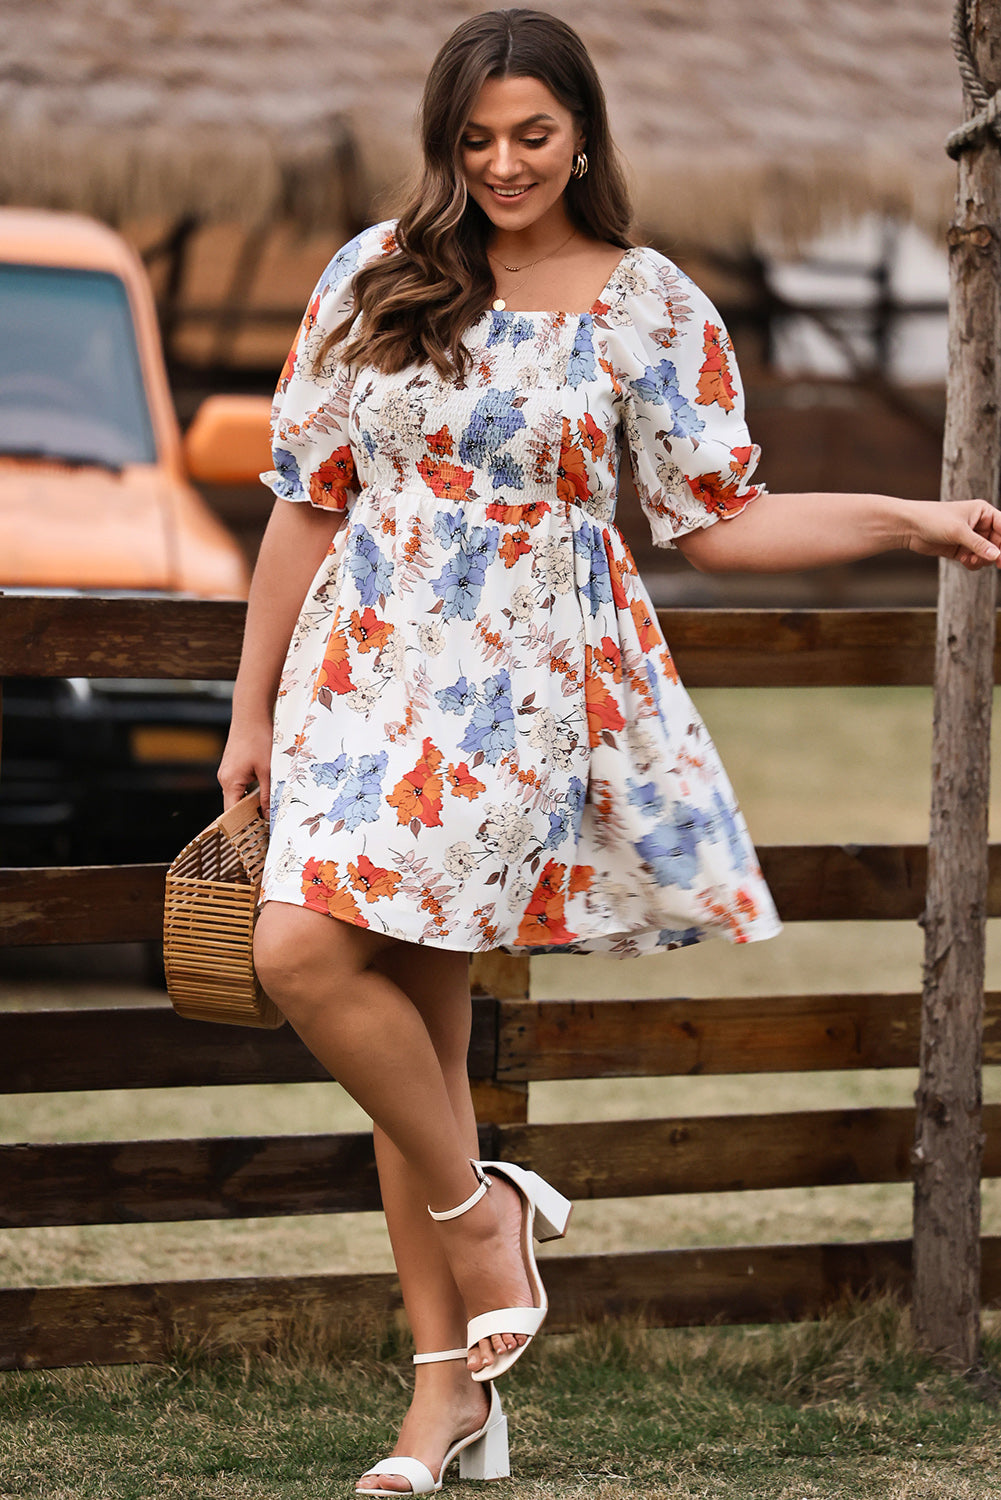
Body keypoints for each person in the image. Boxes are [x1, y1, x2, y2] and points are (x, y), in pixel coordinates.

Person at [217, 9, 1001, 1494]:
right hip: (356, 685)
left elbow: (715, 517)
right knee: (394, 1032)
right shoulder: (375, 271)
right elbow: (305, 499)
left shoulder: (648, 303)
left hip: (514, 700)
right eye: (475, 140)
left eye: (532, 134)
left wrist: (911, 519)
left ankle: (480, 1218)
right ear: (443, 144)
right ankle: (447, 1383)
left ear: (581, 130)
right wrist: (250, 711)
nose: (504, 164)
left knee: (302, 961)